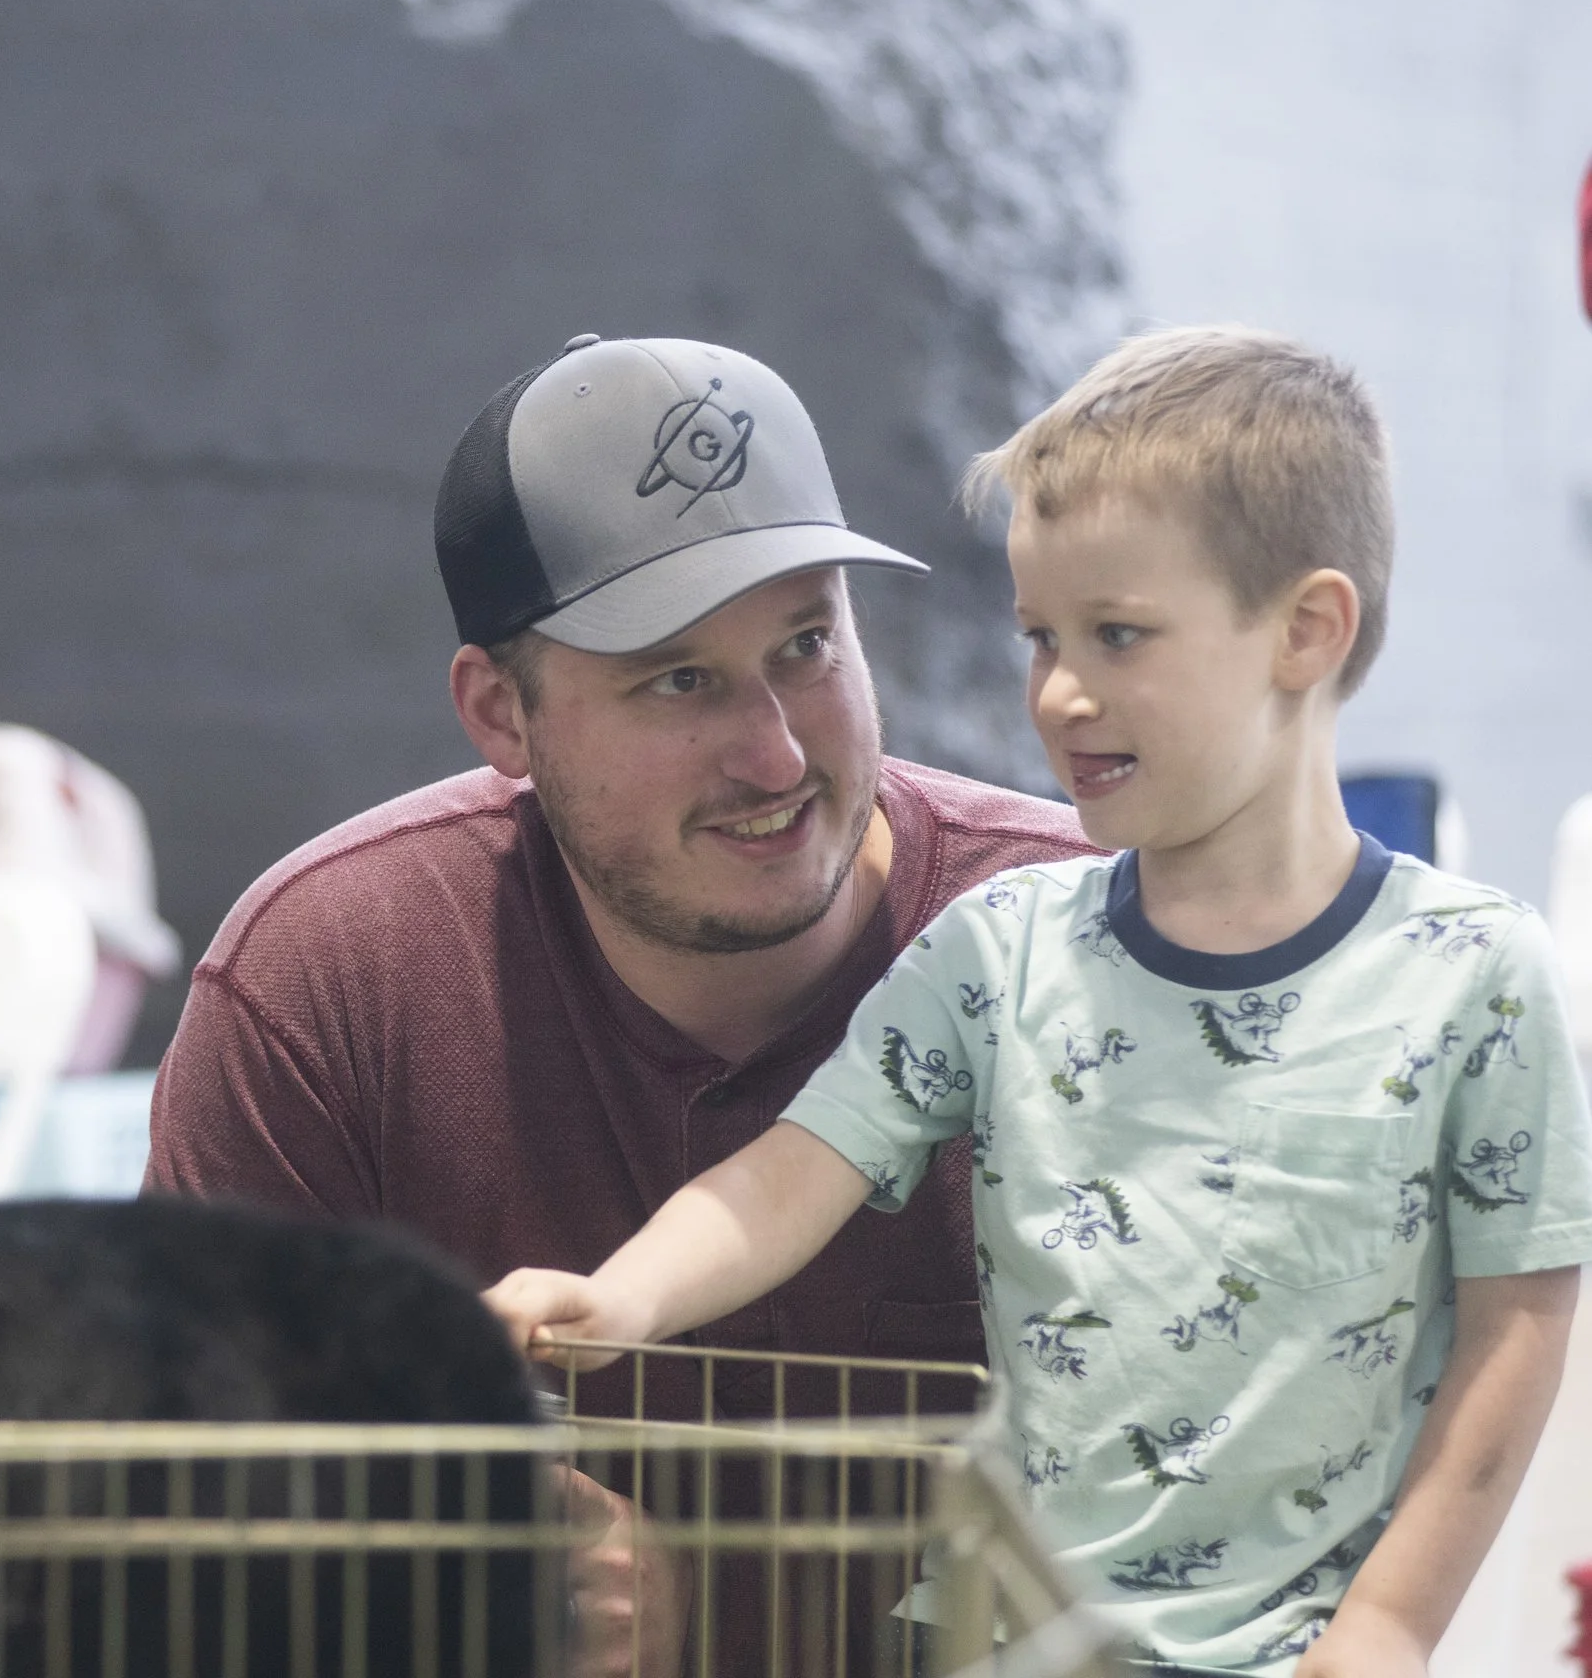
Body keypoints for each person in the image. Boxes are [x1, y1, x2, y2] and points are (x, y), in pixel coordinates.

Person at [483, 326, 1592, 1677]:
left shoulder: (1479, 976)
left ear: (1306, 630)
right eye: (1039, 638)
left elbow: (1517, 1330)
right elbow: (787, 1176)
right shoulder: (996, 950)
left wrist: (1390, 1626)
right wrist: (621, 1297)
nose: (1060, 694)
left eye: (1117, 635)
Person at [145, 334, 1091, 1412]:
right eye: (678, 679)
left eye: (805, 646)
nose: (776, 756)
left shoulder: (1100, 933)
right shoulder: (329, 985)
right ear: (500, 713)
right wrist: (499, 1509)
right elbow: (184, 1457)